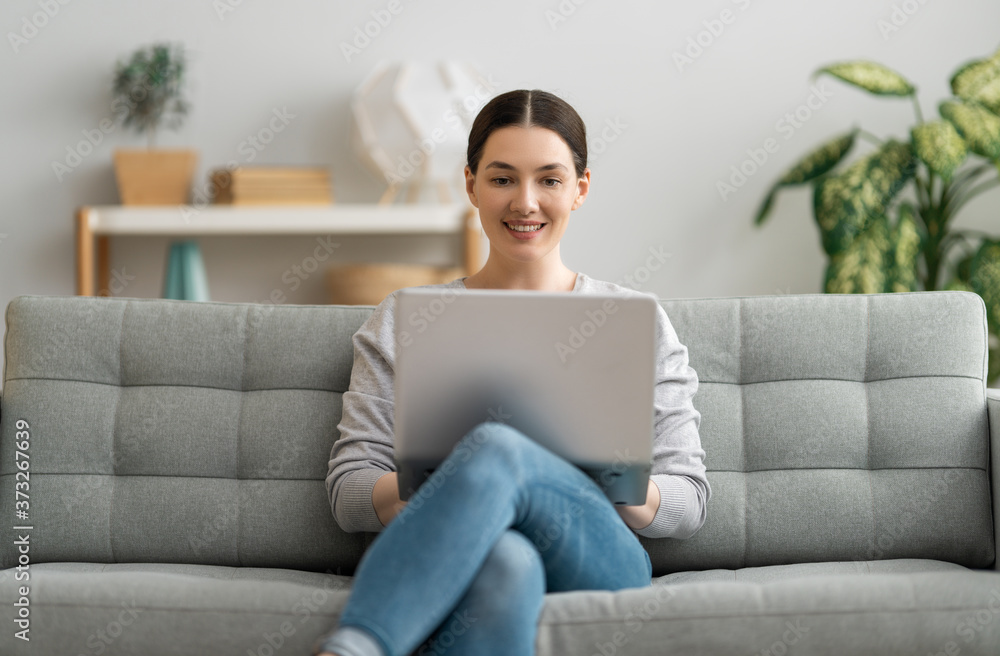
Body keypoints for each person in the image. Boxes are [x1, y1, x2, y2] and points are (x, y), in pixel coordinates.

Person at [314, 89, 710, 656]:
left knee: (498, 446)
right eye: (502, 179)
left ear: (580, 189)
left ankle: (356, 646)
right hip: (469, 546)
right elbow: (350, 486)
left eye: (549, 180)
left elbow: (690, 498)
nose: (525, 202)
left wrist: (624, 486)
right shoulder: (404, 318)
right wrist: (458, 490)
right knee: (504, 557)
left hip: (597, 552)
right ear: (471, 184)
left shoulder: (636, 321)